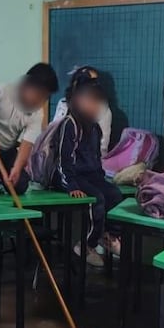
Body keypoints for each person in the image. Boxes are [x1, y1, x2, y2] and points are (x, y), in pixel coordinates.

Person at [52, 71, 122, 267]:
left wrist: (101, 178)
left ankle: (110, 236)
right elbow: (63, 159)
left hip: (90, 175)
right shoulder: (69, 124)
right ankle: (86, 244)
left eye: (97, 101)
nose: (94, 106)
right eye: (89, 100)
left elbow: (96, 158)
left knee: (114, 194)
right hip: (71, 176)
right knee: (96, 198)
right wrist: (71, 185)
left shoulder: (95, 127)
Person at [0, 62, 58, 192]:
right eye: (39, 95)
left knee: (20, 184)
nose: (40, 101)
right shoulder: (1, 92)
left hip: (6, 150)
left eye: (45, 98)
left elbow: (27, 143)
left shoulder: (37, 112)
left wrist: (17, 168)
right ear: (26, 86)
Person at [52, 65, 113, 156]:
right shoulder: (64, 104)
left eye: (96, 83)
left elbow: (102, 147)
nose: (93, 86)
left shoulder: (102, 110)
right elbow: (54, 131)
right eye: (88, 82)